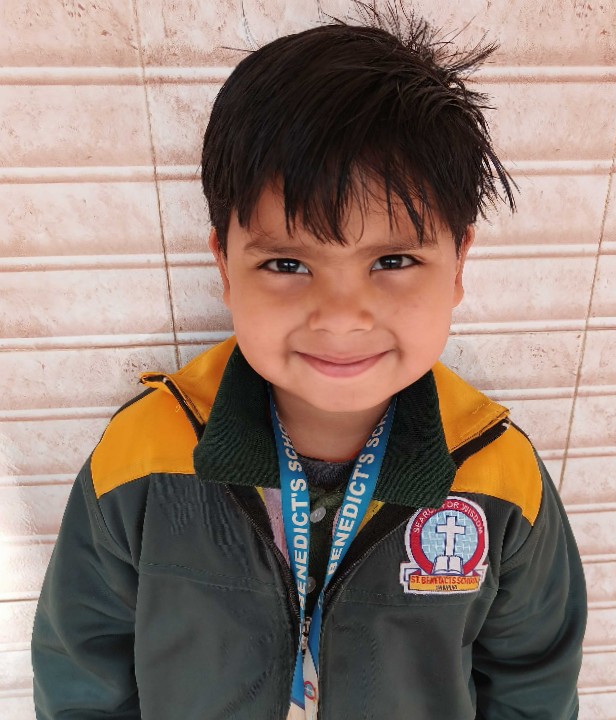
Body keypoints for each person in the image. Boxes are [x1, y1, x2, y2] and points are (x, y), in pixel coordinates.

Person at [32, 6, 586, 719]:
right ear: (224, 266)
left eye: (394, 260)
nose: (341, 317)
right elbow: (82, 675)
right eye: (288, 264)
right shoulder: (141, 458)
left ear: (458, 265)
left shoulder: (498, 475)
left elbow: (533, 684)